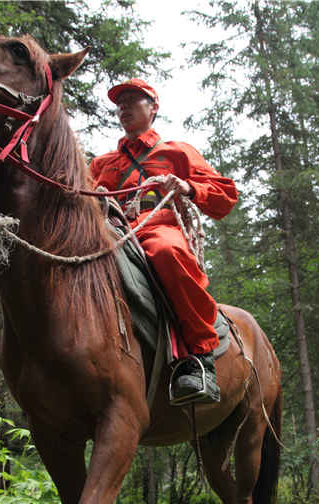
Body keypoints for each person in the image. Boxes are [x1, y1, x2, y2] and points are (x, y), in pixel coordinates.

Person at [89, 78, 238, 405]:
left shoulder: (176, 152)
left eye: (132, 100)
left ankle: (199, 358)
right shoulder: (102, 165)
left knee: (167, 251)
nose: (123, 107)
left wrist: (188, 187)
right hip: (110, 230)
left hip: (157, 225)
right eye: (120, 103)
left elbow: (225, 197)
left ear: (153, 108)